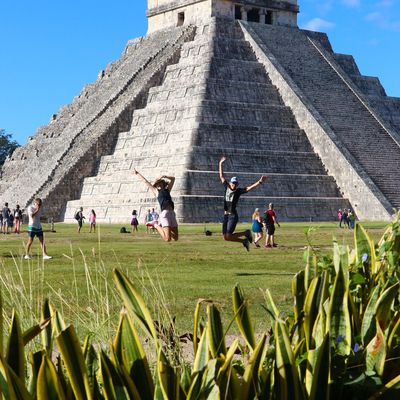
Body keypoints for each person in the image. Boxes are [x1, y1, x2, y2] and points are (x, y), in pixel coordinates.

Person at [219, 156, 267, 251]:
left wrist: (260, 182)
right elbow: (221, 176)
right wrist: (220, 163)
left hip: (232, 215)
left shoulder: (238, 191)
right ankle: (244, 239)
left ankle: (246, 233)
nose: (234, 184)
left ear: (237, 184)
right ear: (231, 183)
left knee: (228, 235)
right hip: (226, 216)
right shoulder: (226, 187)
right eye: (233, 183)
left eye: (236, 183)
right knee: (225, 237)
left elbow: (250, 188)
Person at [134, 169, 178, 241]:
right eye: (157, 184)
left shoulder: (167, 190)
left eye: (160, 183)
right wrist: (137, 174)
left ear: (164, 184)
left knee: (175, 238)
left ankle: (163, 228)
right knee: (167, 239)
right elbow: (146, 182)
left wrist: (165, 176)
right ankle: (156, 225)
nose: (159, 185)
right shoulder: (156, 192)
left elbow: (173, 179)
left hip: (172, 214)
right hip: (165, 214)